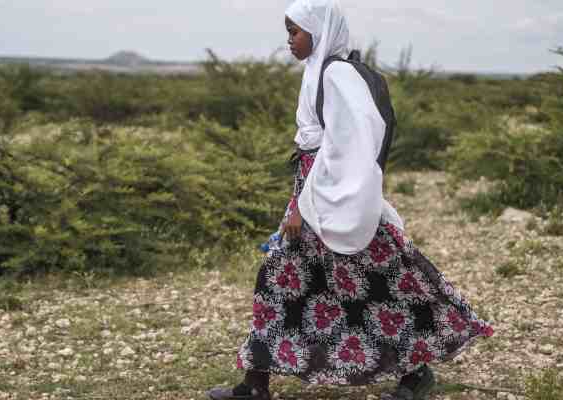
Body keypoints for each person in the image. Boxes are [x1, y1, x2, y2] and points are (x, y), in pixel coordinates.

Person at [207, 1, 493, 399]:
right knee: (290, 281)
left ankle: (416, 372)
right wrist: (298, 203)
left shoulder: (337, 74)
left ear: (319, 32)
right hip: (317, 191)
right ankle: (256, 383)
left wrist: (304, 204)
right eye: (288, 31)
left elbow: (351, 142)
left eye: (296, 31)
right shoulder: (316, 73)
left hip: (335, 195)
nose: (289, 40)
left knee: (379, 280)